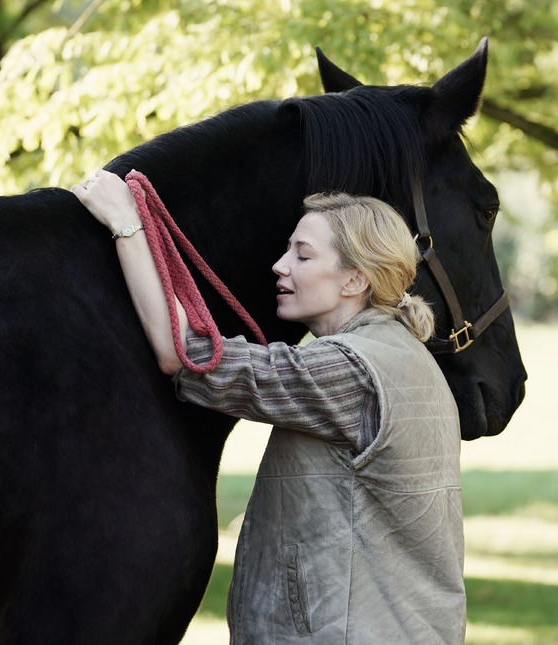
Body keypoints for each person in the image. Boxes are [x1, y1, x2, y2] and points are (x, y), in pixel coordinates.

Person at [71, 169, 466, 644]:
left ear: (354, 280)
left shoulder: (351, 371)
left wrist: (126, 222)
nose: (280, 266)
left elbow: (187, 355)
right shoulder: (405, 356)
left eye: (302, 255)